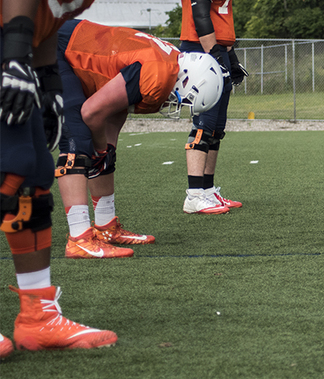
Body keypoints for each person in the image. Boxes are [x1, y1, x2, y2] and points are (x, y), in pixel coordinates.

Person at [0, 0, 203, 355]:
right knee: (8, 175)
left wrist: (46, 78)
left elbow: (54, 6)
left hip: (22, 37)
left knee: (29, 172)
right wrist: (13, 56)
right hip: (7, 31)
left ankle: (38, 315)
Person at [55, 20, 223, 259]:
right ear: (187, 81)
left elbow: (116, 107)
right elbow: (91, 112)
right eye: (184, 99)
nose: (177, 104)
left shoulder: (170, 61)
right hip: (51, 45)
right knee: (77, 137)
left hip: (67, 42)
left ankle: (106, 227)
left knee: (102, 150)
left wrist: (107, 150)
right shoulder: (159, 74)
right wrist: (101, 147)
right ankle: (79, 239)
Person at [179, 0, 249, 215]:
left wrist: (230, 56)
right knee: (204, 123)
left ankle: (207, 189)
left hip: (215, 48)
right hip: (200, 48)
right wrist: (216, 53)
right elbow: (200, 14)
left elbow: (220, 19)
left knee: (217, 125)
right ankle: (194, 194)